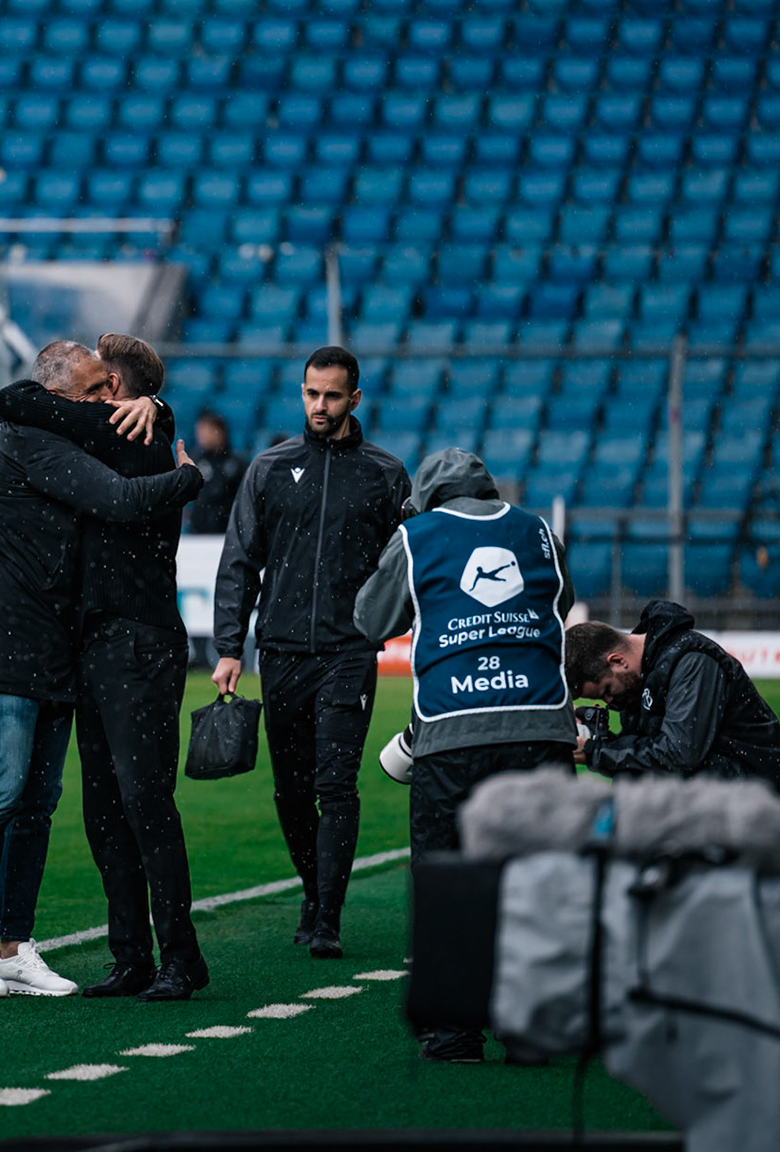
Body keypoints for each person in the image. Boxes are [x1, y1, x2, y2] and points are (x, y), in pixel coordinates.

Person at [0, 340, 203, 999]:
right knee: (99, 806)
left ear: (123, 394)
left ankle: (178, 957)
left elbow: (105, 488)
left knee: (138, 801)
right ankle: (128, 956)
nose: (96, 403)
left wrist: (168, 424)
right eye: (88, 392)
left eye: (103, 390)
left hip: (136, 642)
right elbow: (26, 426)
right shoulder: (79, 435)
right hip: (82, 644)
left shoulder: (139, 433)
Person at [353, 447, 578, 1063]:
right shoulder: (538, 530)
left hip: (454, 732)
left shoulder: (416, 534)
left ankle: (455, 1033)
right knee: (538, 878)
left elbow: (371, 620)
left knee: (448, 881)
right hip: (541, 727)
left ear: (428, 496)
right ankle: (534, 1026)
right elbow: (558, 604)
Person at [211, 346, 414, 959]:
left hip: (349, 652)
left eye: (330, 395)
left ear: (355, 399)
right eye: (309, 393)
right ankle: (312, 890)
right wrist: (228, 647)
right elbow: (240, 559)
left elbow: (404, 566)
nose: (318, 406)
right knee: (291, 791)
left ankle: (328, 917)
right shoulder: (269, 468)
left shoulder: (386, 473)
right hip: (279, 650)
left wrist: (395, 626)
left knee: (337, 785)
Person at [563, 602, 780, 818]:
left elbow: (679, 754)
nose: (608, 701)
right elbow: (646, 751)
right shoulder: (643, 674)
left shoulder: (691, 660)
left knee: (643, 783)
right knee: (633, 782)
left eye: (606, 690)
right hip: (734, 791)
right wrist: (599, 740)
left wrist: (597, 752)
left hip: (767, 803)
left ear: (617, 661)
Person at [188, 409, 247, 536]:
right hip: (198, 532)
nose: (201, 435)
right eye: (199, 431)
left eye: (205, 430)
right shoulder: (195, 460)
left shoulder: (237, 463)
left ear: (219, 432)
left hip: (227, 531)